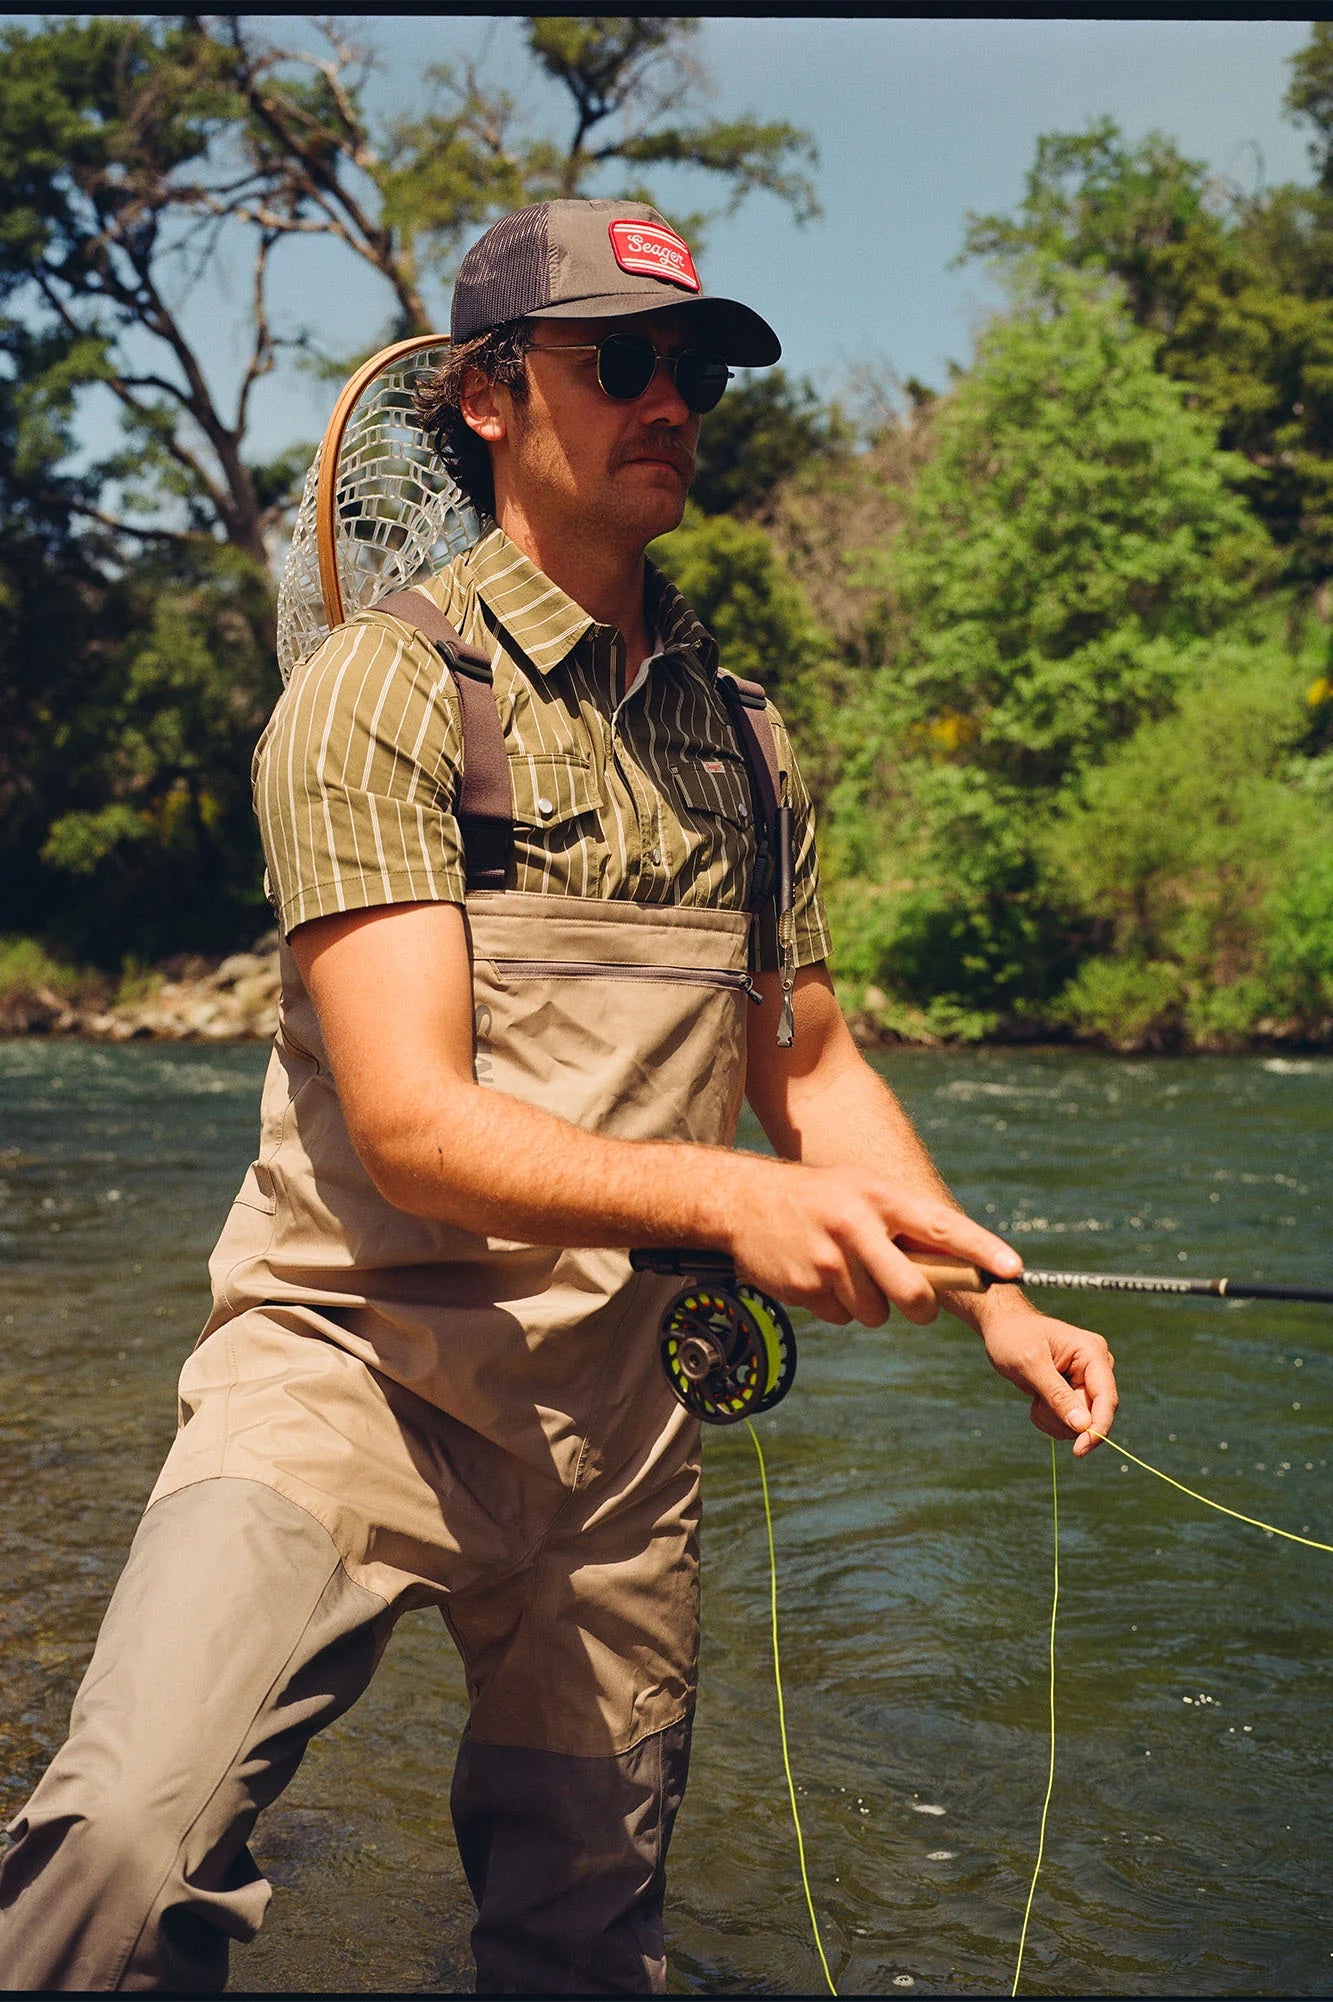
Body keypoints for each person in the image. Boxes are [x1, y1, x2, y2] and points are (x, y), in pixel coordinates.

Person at [0, 198, 1117, 1996]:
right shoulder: (375, 690)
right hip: (348, 1374)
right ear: (489, 394)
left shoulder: (741, 738)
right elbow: (412, 1125)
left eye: (695, 366)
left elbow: (809, 1061)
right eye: (621, 359)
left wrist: (996, 1293)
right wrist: (733, 1202)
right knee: (121, 1849)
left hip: (615, 1432)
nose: (669, 394)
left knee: (581, 1945)